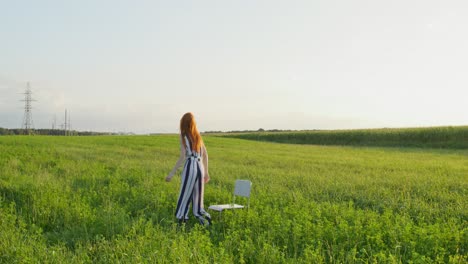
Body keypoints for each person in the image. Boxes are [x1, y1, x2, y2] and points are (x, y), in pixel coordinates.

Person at [166, 112, 212, 225]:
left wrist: (171, 173)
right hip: (200, 167)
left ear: (183, 123)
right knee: (198, 196)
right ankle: (204, 220)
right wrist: (206, 173)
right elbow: (205, 155)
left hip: (190, 166)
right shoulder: (198, 136)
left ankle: (181, 220)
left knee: (185, 194)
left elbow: (182, 157)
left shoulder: (183, 135)